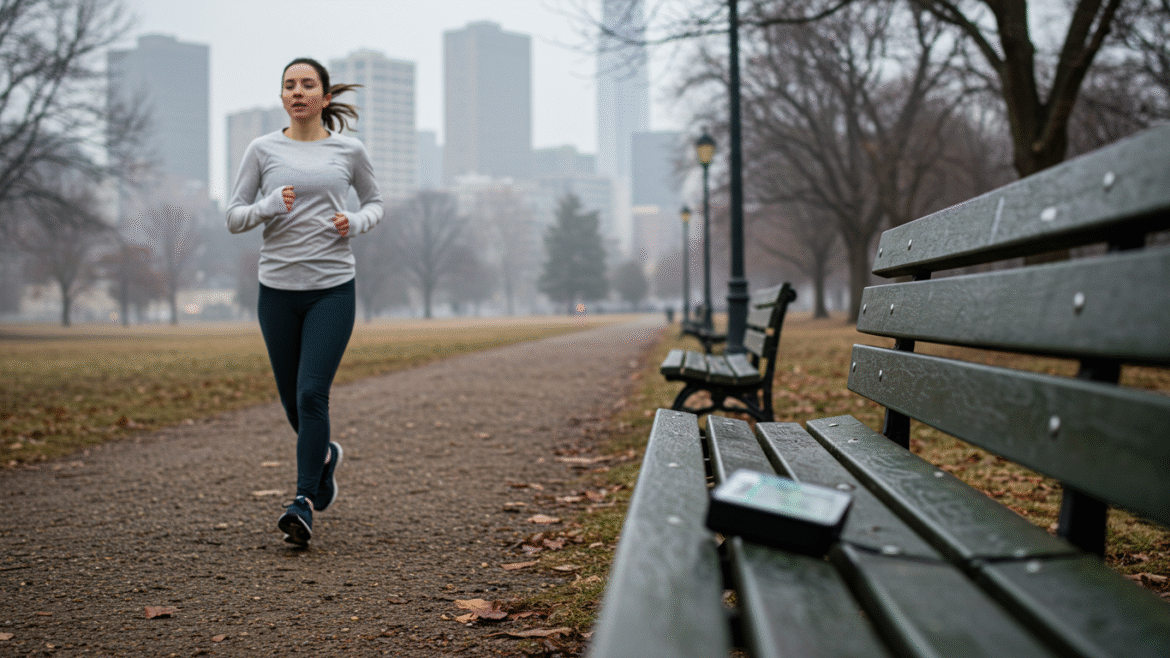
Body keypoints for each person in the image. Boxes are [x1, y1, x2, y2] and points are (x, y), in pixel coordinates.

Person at [225, 57, 384, 547]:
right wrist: (268, 206)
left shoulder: (349, 150)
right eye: (289, 85)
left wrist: (355, 222)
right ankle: (325, 457)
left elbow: (375, 203)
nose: (298, 91)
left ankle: (302, 501)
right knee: (293, 401)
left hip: (332, 288)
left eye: (307, 84)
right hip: (276, 292)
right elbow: (233, 216)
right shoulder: (261, 149)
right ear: (282, 97)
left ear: (325, 97)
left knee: (312, 394)